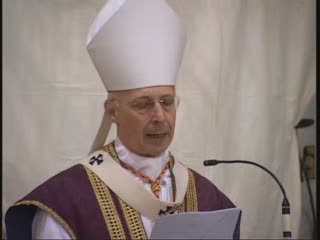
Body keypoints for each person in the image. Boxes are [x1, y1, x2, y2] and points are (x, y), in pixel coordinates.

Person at [5, 0, 241, 239]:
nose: (159, 116)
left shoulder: (208, 198)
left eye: (167, 102)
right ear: (112, 112)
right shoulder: (67, 203)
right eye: (143, 104)